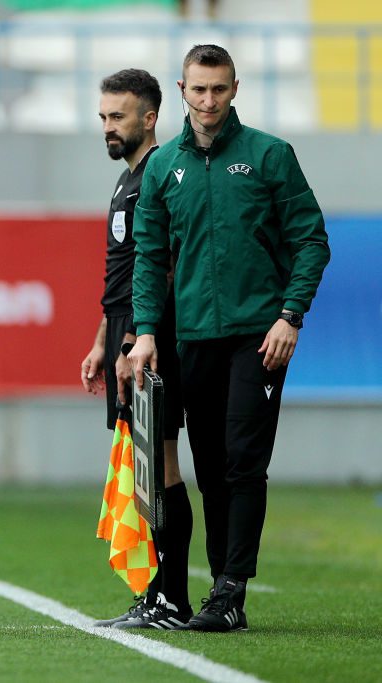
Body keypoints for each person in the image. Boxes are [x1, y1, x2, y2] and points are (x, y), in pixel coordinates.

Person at [129, 44, 330, 632]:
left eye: (219, 89)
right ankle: (223, 592)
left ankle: (232, 588)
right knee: (211, 466)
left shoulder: (271, 156)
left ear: (235, 88)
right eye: (198, 90)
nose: (209, 100)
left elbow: (311, 240)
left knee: (244, 461)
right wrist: (145, 334)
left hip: (258, 336)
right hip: (194, 337)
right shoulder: (165, 167)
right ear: (182, 90)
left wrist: (290, 316)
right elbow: (148, 257)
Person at [82, 69, 194, 630]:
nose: (107, 127)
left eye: (118, 116)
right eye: (103, 116)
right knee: (143, 467)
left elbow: (164, 264)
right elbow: (121, 271)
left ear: (149, 117)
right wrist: (104, 339)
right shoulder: (127, 178)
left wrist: (133, 339)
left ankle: (173, 600)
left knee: (161, 463)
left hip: (151, 336)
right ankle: (154, 596)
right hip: (126, 330)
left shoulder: (159, 173)